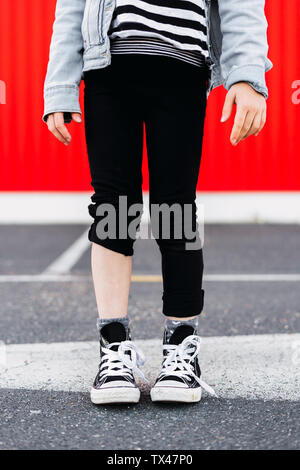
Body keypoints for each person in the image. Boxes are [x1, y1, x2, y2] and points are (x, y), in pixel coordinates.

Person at [43, 0, 272, 404]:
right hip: (110, 66)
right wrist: (61, 85)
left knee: (176, 210)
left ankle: (181, 345)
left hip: (183, 65)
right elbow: (71, 7)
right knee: (114, 210)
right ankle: (113, 347)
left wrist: (247, 73)